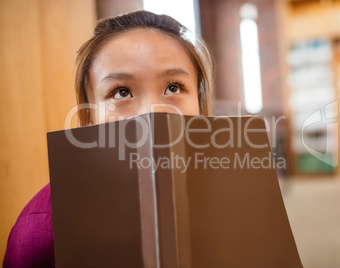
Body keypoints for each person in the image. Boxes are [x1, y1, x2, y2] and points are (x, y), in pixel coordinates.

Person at [3, 10, 213, 267]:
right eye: (121, 92)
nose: (152, 112)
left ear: (201, 105)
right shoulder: (43, 229)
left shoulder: (238, 202)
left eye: (174, 87)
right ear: (89, 117)